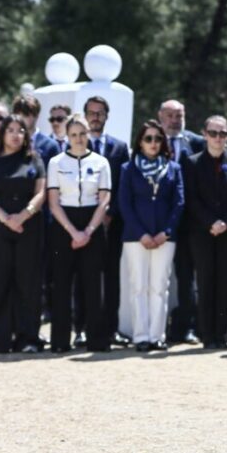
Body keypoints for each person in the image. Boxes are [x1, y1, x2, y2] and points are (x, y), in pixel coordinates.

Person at [0, 115, 46, 353]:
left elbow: (41, 191)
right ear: (2, 133)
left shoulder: (34, 160)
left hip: (28, 227)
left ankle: (27, 338)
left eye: (20, 131)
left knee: (28, 283)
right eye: (11, 130)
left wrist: (23, 216)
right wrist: (6, 218)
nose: (16, 135)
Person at [46, 114, 112, 352]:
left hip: (92, 224)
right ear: (67, 136)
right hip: (65, 225)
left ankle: (97, 340)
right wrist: (74, 232)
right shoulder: (55, 163)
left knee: (94, 285)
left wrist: (89, 231)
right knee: (61, 285)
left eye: (82, 134)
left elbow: (104, 200)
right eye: (73, 134)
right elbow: (53, 203)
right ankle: (61, 341)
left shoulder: (102, 162)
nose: (78, 139)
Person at [119, 119, 185, 352]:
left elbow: (178, 203)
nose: (153, 143)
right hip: (136, 237)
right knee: (139, 286)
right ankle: (141, 336)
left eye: (158, 138)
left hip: (164, 238)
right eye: (148, 138)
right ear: (140, 142)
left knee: (159, 287)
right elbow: (124, 204)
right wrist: (142, 234)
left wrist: (165, 232)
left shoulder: (173, 168)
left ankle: (157, 335)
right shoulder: (128, 169)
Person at [184, 116, 227, 349]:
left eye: (223, 134)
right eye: (213, 133)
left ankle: (220, 335)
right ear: (204, 134)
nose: (218, 138)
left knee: (224, 283)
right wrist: (210, 222)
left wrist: (226, 223)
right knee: (205, 281)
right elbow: (191, 198)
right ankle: (206, 335)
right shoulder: (191, 163)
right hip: (202, 233)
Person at [85, 95, 131, 348]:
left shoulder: (119, 147)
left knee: (111, 278)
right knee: (85, 277)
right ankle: (82, 328)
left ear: (106, 116)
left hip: (112, 223)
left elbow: (122, 185)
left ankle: (110, 329)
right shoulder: (77, 145)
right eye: (91, 112)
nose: (95, 116)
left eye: (100, 112)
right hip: (83, 221)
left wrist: (109, 213)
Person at [159, 99, 205, 344]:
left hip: (189, 222)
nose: (175, 120)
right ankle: (156, 328)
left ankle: (186, 326)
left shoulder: (197, 142)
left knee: (187, 276)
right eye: (170, 115)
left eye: (179, 115)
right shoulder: (150, 140)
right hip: (158, 220)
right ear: (160, 116)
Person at [12, 95, 59, 168]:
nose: (21, 120)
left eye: (25, 115)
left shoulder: (50, 146)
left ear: (36, 116)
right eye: (18, 116)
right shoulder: (9, 142)